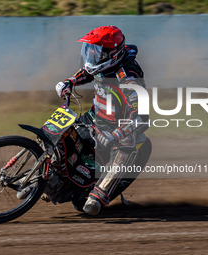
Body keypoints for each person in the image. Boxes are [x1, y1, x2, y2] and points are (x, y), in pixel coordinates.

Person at [55, 25, 149, 215]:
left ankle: (98, 197)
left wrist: (116, 135)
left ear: (111, 54)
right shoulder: (103, 62)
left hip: (118, 128)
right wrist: (70, 82)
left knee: (126, 147)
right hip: (94, 117)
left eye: (95, 52)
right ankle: (49, 174)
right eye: (89, 51)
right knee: (60, 133)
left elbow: (141, 117)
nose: (91, 56)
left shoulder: (129, 77)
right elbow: (88, 71)